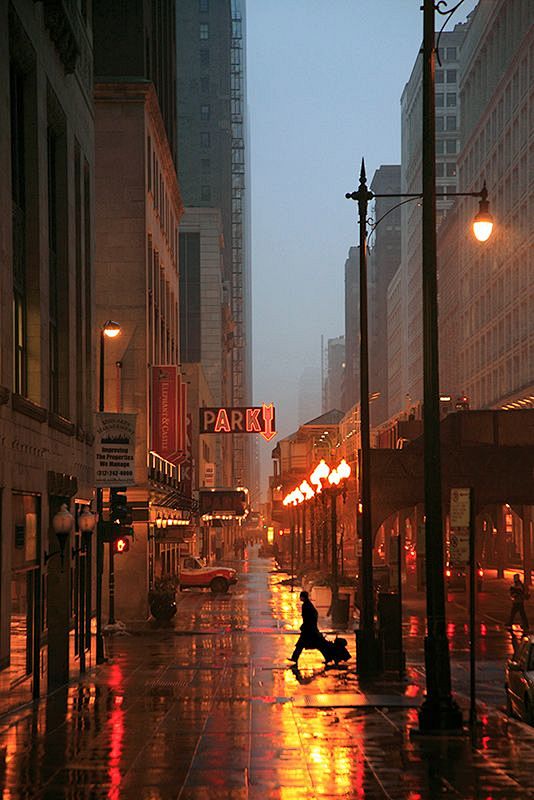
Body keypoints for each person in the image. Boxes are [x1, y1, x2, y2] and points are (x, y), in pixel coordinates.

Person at [290, 591, 328, 664]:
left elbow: (308, 617)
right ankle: (294, 658)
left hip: (309, 630)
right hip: (309, 629)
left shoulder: (306, 605)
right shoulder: (307, 604)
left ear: (303, 597)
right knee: (303, 644)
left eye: (301, 596)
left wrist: (306, 626)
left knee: (318, 645)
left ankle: (294, 658)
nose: (300, 598)